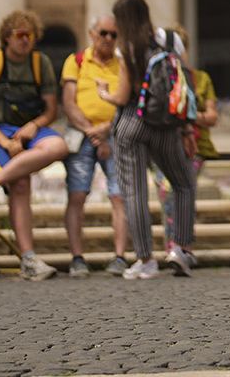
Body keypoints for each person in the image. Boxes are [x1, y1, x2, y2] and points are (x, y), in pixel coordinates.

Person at [0, 10, 69, 281]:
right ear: (7, 37)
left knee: (59, 146)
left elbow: (51, 110)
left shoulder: (39, 62)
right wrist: (3, 141)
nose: (26, 41)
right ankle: (29, 259)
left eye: (30, 36)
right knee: (20, 184)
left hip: (26, 130)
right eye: (20, 35)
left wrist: (34, 126)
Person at [100, 0, 197, 280]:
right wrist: (187, 128)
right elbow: (183, 85)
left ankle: (145, 260)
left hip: (132, 123)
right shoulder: (170, 40)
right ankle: (180, 249)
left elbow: (122, 95)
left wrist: (104, 92)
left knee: (134, 193)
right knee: (183, 184)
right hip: (166, 125)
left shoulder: (126, 47)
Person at [59, 14, 130, 277]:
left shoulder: (123, 64)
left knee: (119, 196)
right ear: (92, 34)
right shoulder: (75, 61)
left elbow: (127, 101)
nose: (109, 39)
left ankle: (120, 257)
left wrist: (106, 130)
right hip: (83, 134)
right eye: (104, 33)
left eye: (114, 34)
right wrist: (93, 132)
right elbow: (68, 103)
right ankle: (77, 258)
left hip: (115, 134)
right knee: (77, 195)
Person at [156, 27, 218, 263]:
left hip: (195, 147)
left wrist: (186, 116)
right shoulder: (157, 76)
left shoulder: (200, 79)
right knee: (167, 193)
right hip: (163, 146)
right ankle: (174, 247)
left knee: (183, 190)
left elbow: (212, 117)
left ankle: (184, 246)